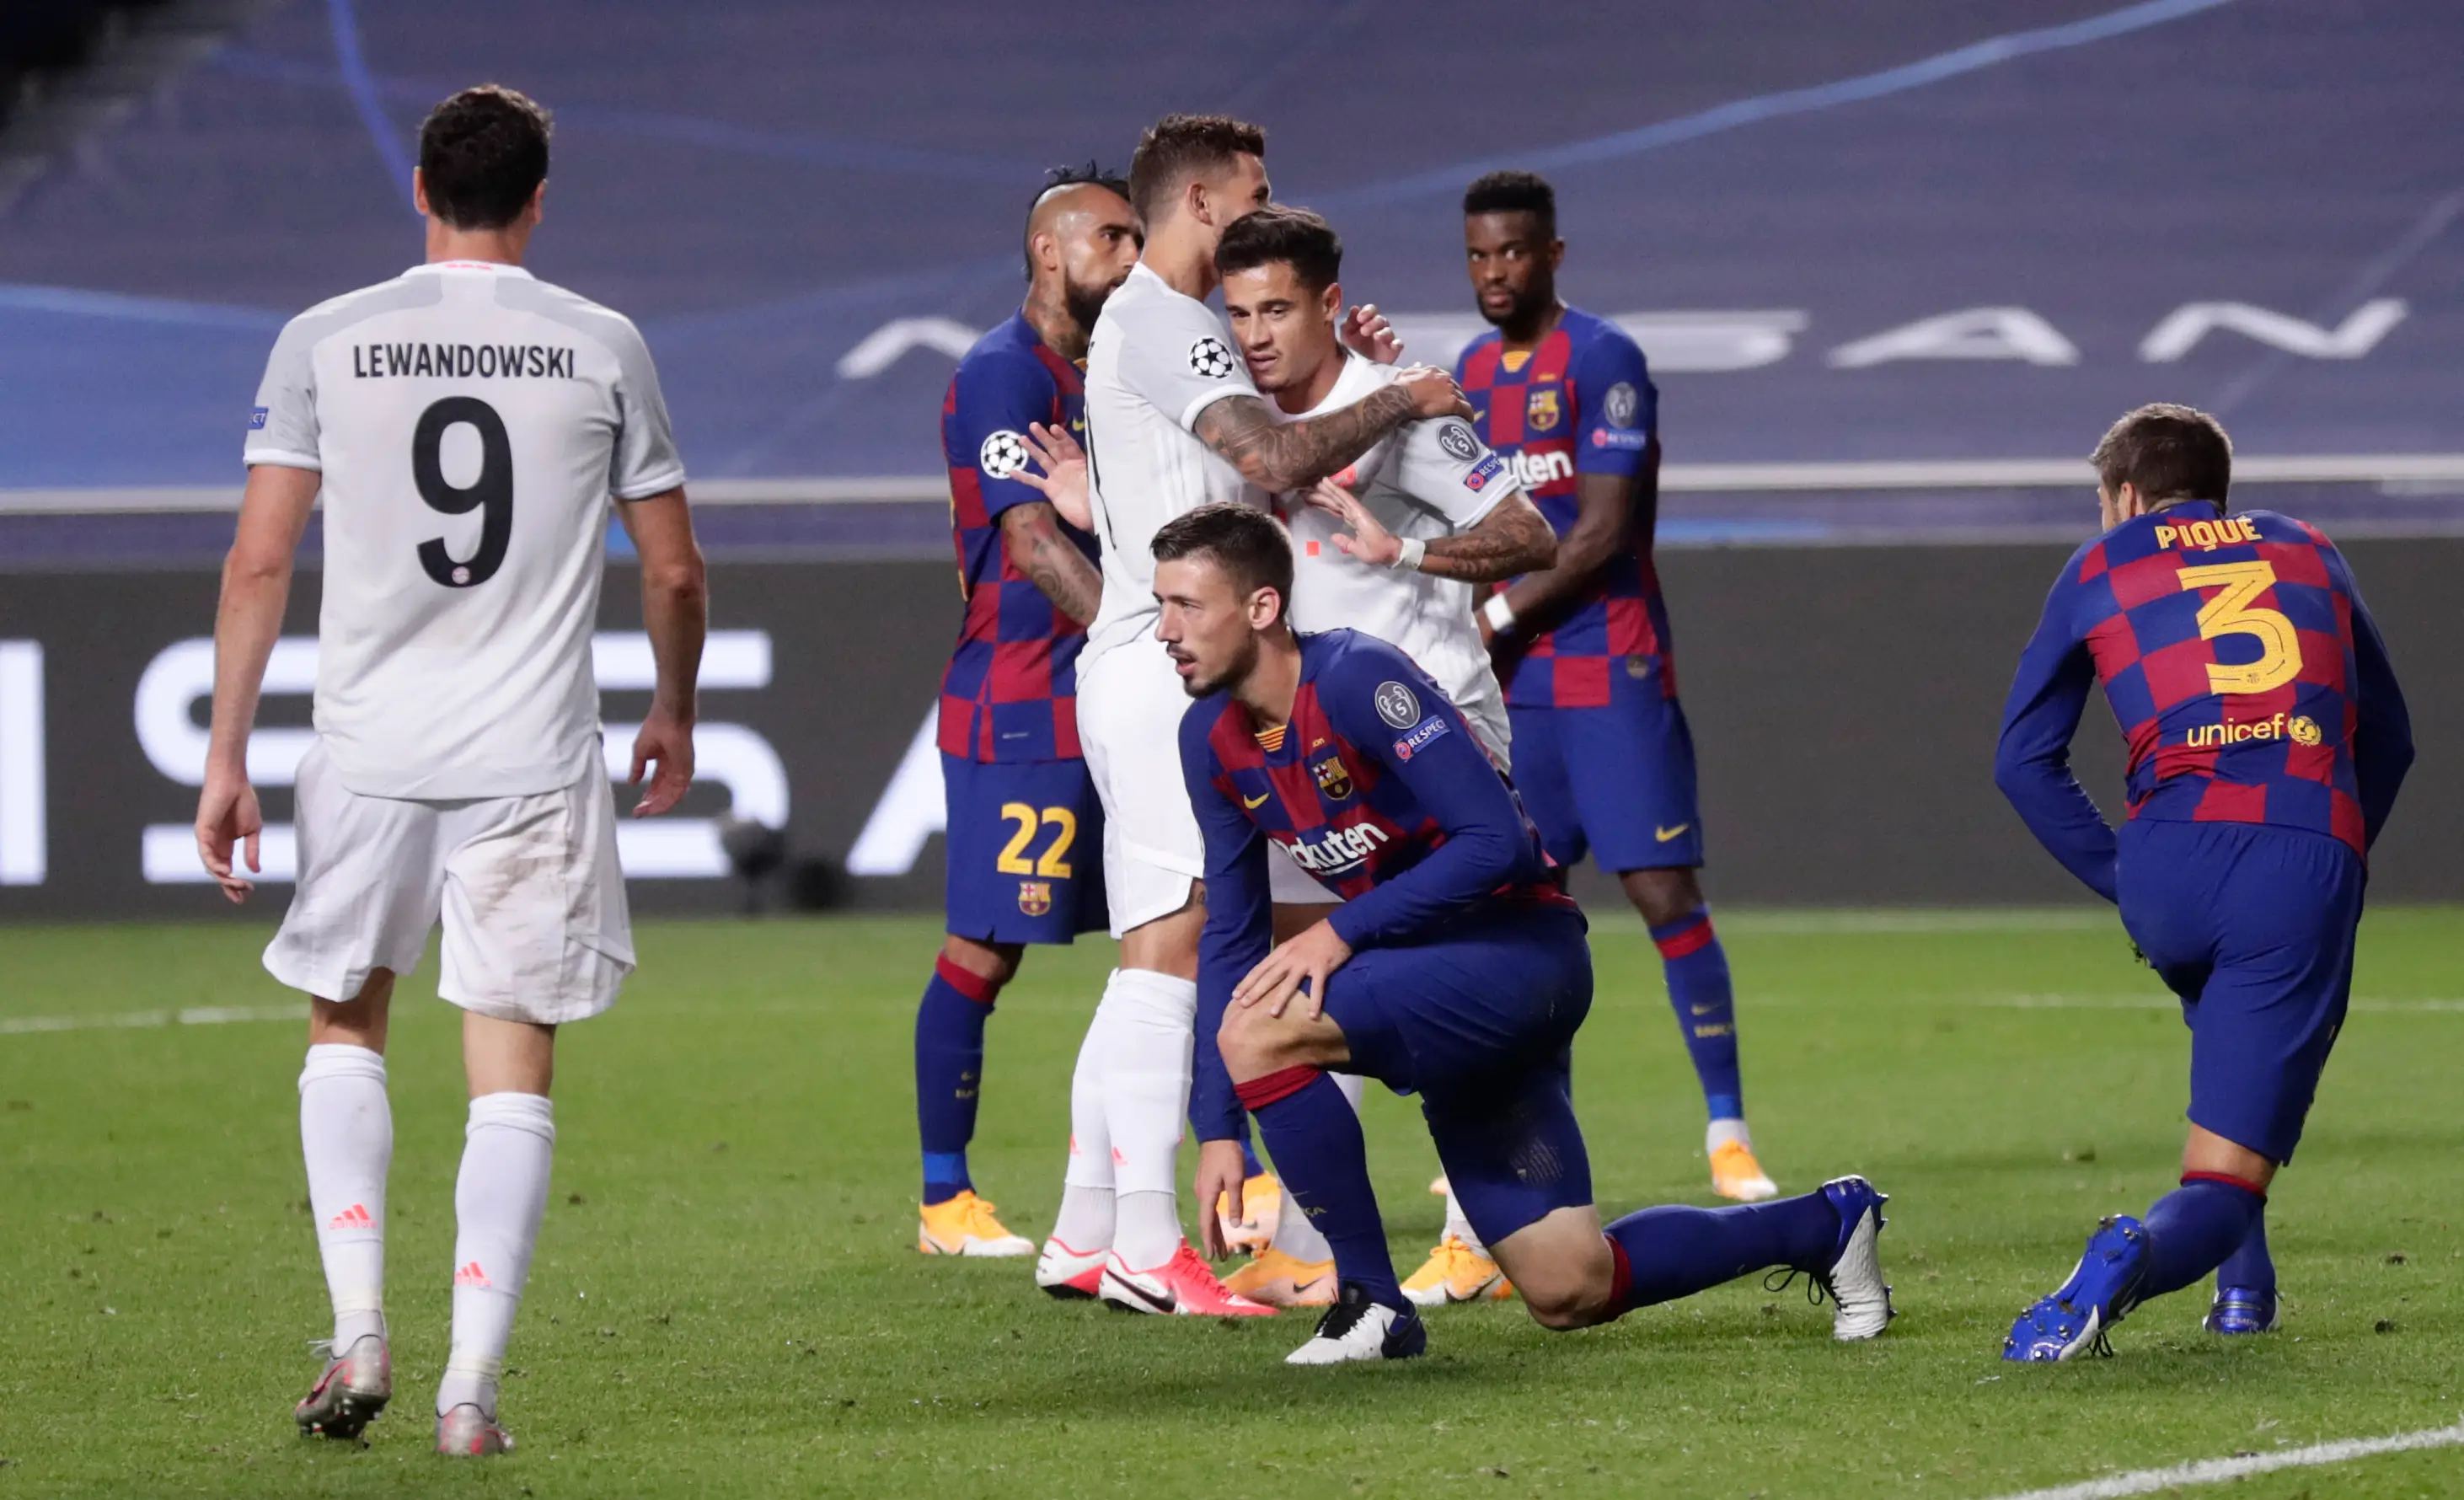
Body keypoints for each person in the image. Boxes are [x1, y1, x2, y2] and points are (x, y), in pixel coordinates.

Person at [195, 85, 706, 1454]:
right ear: (539, 201)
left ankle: (357, 1325)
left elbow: (258, 559)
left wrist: (227, 752)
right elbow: (669, 565)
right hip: (531, 754)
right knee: (510, 1069)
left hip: (367, 750)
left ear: (418, 192)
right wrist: (671, 705)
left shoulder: (327, 339)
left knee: (346, 1022)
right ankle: (469, 1388)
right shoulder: (601, 345)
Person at [1157, 504, 1894, 1364]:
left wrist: (1338, 933)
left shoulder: (1358, 680)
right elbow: (1232, 933)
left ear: (1260, 608)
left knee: (1262, 1028)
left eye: (1185, 605)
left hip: (1517, 961)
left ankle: (1368, 1301)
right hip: (1434, 988)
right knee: (1569, 1284)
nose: (1165, 630)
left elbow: (1494, 840)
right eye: (1159, 604)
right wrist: (1216, 1126)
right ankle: (1825, 1222)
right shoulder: (1206, 739)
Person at [1026, 113, 1470, 1316]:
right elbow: (1274, 460)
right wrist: (1405, 396)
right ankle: (1147, 1245)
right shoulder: (1164, 321)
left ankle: (1082, 1233)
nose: (1270, 202)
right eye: (1256, 188)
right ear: (1209, 204)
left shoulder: (1164, 327)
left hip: (1149, 653)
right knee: (1167, 958)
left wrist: (1347, 366)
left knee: (1176, 945)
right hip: (1157, 657)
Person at [1994, 404, 2411, 1359]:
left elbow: (2022, 760)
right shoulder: (2308, 549)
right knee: (2226, 1178)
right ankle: (2129, 1256)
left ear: (2126, 496)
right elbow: (2390, 738)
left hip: (2168, 858)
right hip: (2293, 860)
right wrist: (2329, 858)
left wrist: (2124, 873)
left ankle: (2243, 1295)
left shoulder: (2099, 564)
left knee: (2223, 1053)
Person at [1206, 204, 1556, 1308]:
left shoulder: (1405, 416)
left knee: (1462, 968)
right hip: (1315, 744)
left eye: (1276, 309)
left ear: (1323, 304)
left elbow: (1531, 532)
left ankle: (1476, 1224)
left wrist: (1401, 545)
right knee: (1308, 965)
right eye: (1240, 312)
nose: (1256, 333)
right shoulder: (1245, 425)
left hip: (1434, 729)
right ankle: (1312, 1241)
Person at [1453, 170, 1776, 1221]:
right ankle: (1526, 1148)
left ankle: (1726, 1130)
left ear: (1551, 254)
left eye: (1512, 252)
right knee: (1516, 914)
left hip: (1609, 669)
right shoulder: (1461, 373)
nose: (1494, 272)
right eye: (1477, 255)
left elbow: (1596, 533)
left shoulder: (1602, 360)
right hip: (1513, 694)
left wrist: (1495, 616)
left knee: (1660, 895)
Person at [911, 165, 1140, 1261]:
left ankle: (1154, 1195)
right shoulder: (1004, 374)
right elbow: (1032, 541)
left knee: (1177, 935)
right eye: (1111, 237)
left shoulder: (1109, 373)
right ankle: (945, 1201)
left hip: (1106, 686)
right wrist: (1137, 637)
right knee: (984, 951)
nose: (1131, 257)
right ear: (1050, 249)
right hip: (1026, 700)